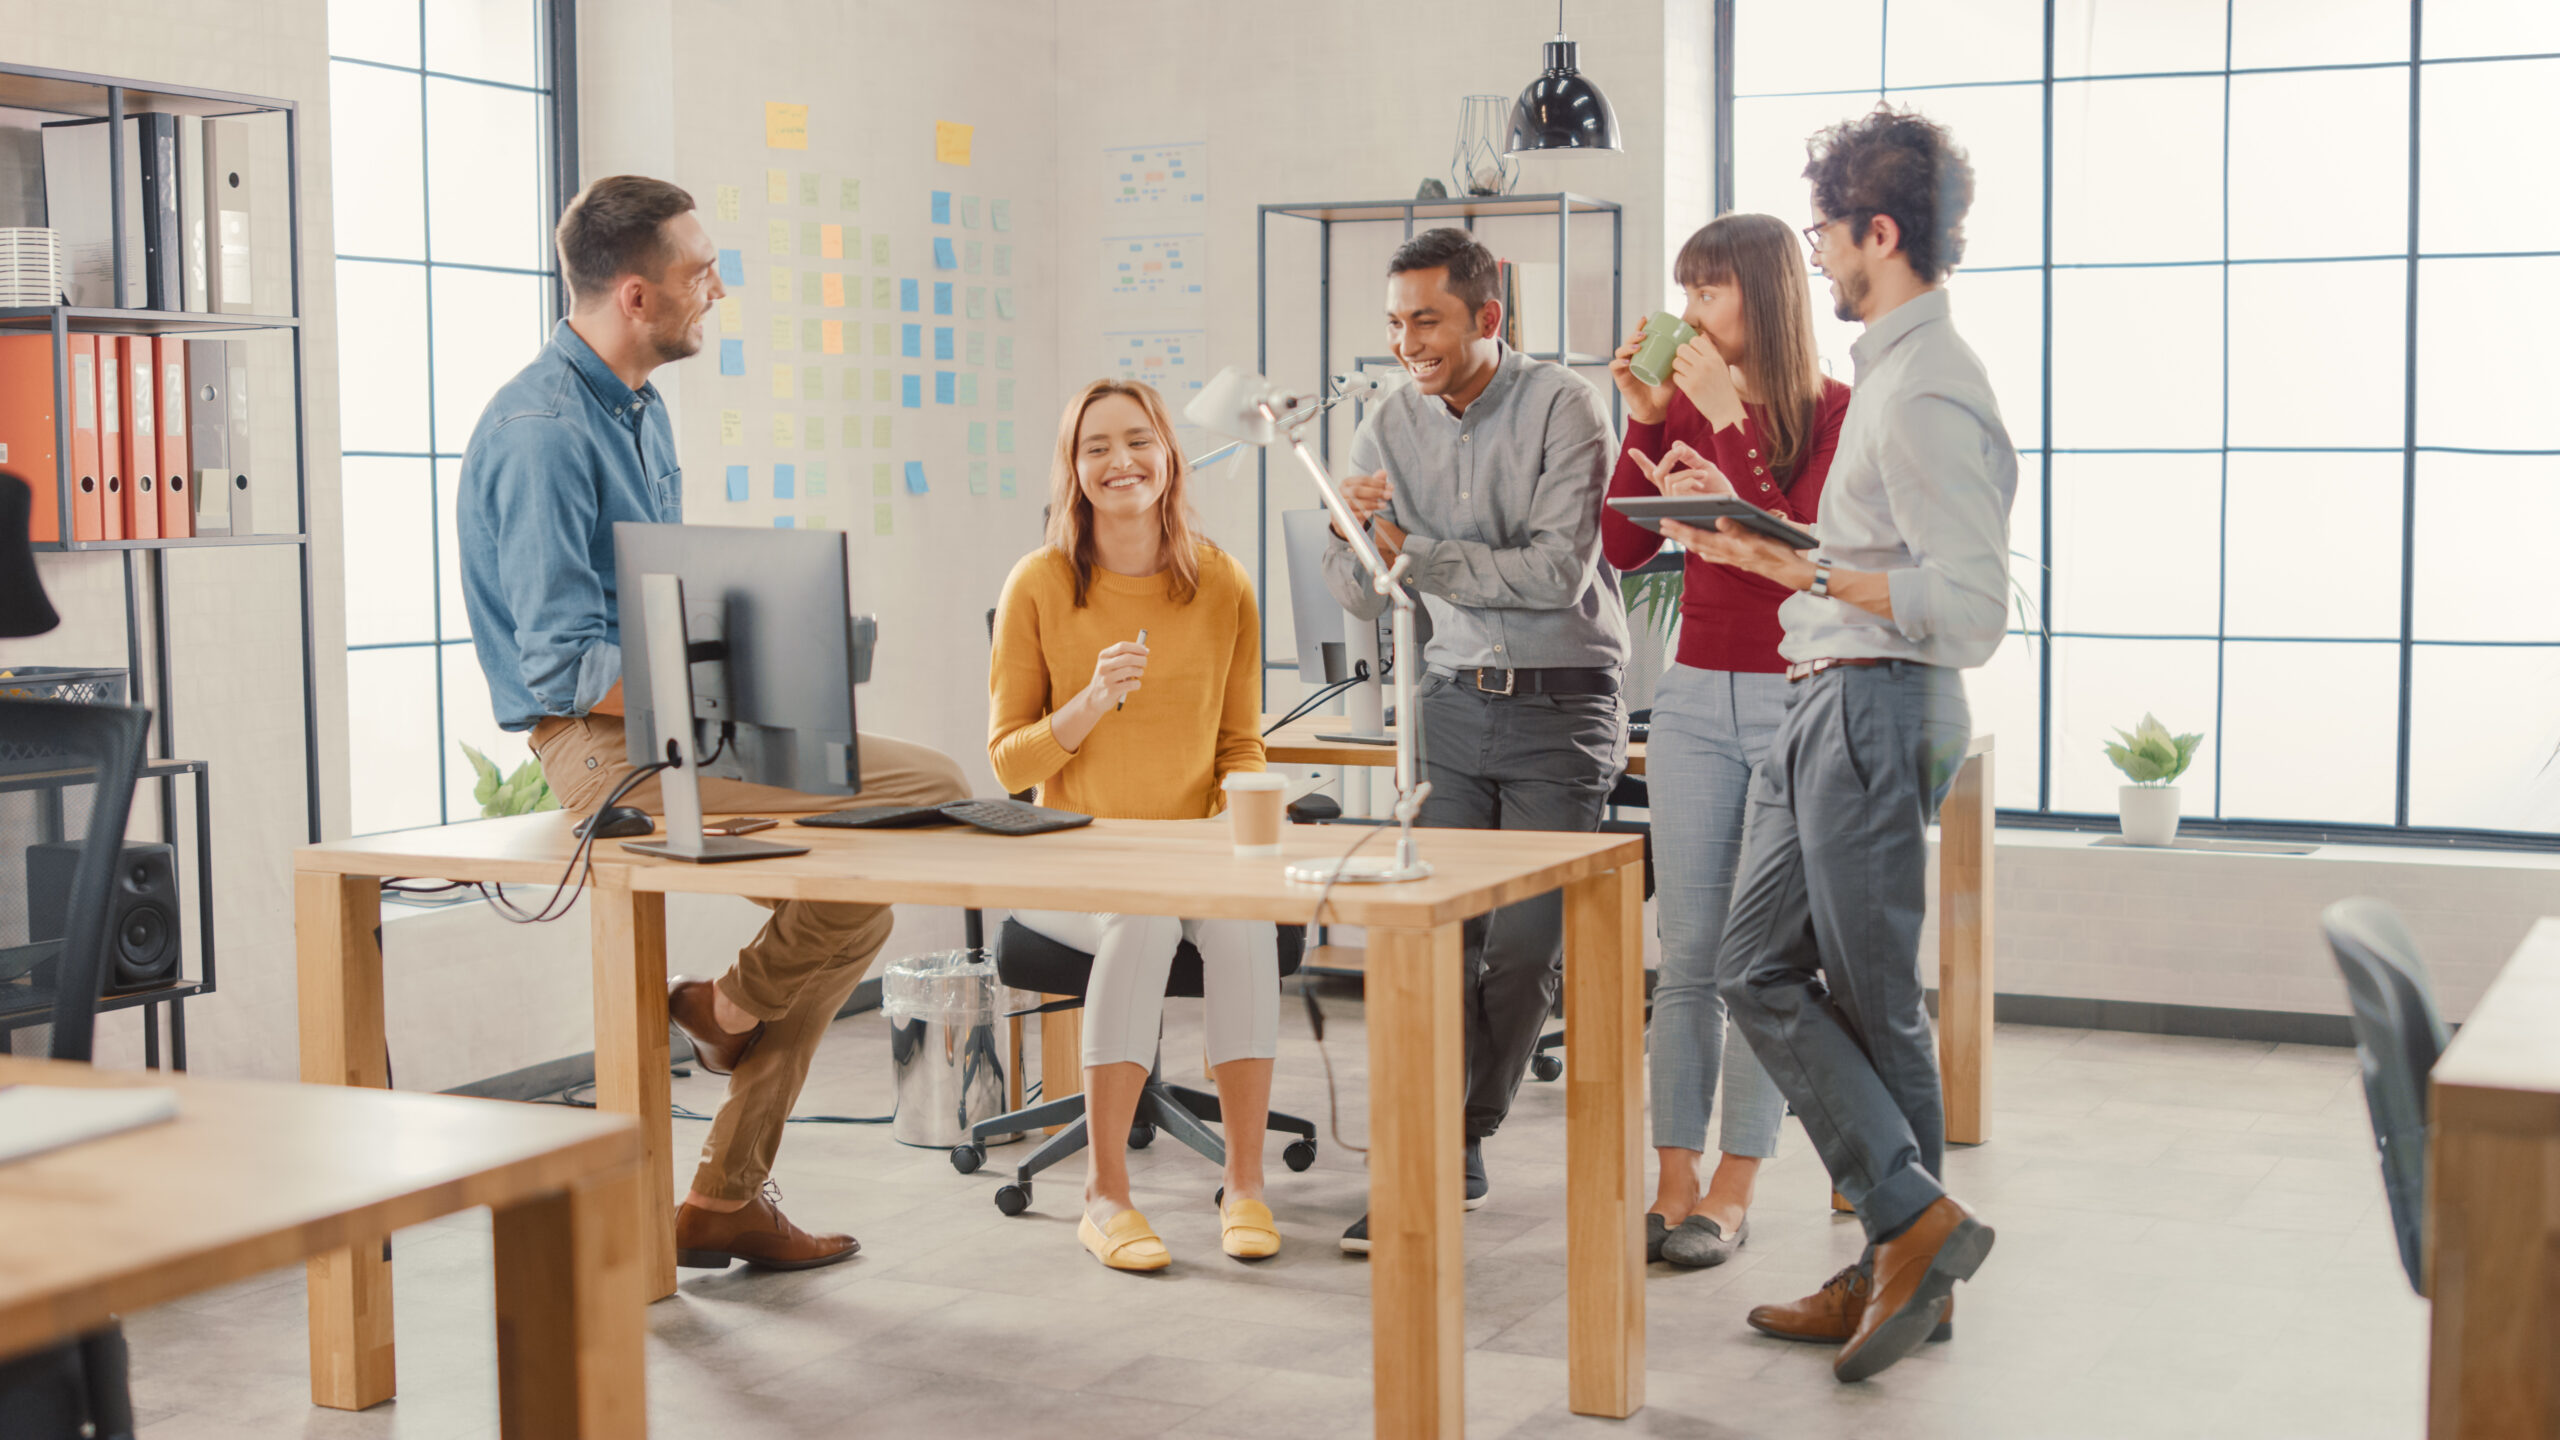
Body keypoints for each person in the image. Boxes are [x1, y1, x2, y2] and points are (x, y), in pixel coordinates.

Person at [457, 175, 970, 1273]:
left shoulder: (636, 409)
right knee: (917, 803)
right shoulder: (546, 433)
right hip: (602, 750)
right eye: (701, 274)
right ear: (637, 295)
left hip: (673, 721)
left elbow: (661, 608)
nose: (719, 290)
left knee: (882, 862)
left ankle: (723, 1159)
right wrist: (730, 682)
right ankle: (724, 1020)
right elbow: (559, 663)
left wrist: (758, 661)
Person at [1657, 107, 2015, 1382]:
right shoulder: (1895, 368)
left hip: (1874, 702)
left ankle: (1903, 1253)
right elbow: (1869, 559)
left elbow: (1967, 609)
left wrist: (1832, 585)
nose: (1814, 254)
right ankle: (1904, 1237)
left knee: (1870, 1003)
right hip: (1831, 692)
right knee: (1754, 963)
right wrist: (1765, 550)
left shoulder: (1924, 388)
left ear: (1881, 231)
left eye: (1824, 230)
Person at [1321, 226, 1624, 1253]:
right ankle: (1440, 1157)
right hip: (1449, 704)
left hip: (1561, 701)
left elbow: (1554, 575)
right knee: (1433, 939)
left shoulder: (1564, 407)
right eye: (1397, 322)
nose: (1409, 342)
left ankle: (1462, 1130)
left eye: (1429, 320)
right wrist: (1351, 539)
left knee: (1526, 948)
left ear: (1486, 318)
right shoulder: (1385, 425)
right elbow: (1365, 598)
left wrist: (1421, 554)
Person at [1599, 212, 1852, 1270]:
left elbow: (1791, 542)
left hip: (1799, 694)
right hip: (1697, 697)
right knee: (1687, 955)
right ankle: (1670, 1173)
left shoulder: (1836, 412)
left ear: (1762, 295)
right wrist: (1646, 420)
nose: (1688, 314)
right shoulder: (1683, 409)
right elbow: (1619, 544)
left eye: (1707, 293)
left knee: (1759, 962)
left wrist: (1723, 419)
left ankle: (1736, 1182)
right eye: (1684, 294)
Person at [988, 378, 1284, 1272]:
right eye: (1096, 447)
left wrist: (1250, 817)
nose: (1120, 462)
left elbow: (1240, 739)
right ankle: (1105, 1194)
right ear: (1073, 471)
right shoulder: (1038, 583)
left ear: (1169, 454)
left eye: (1138, 441)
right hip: (1074, 863)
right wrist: (1087, 703)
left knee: (1238, 928)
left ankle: (1243, 1181)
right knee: (1144, 917)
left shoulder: (1221, 579)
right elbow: (1009, 765)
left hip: (1192, 852)